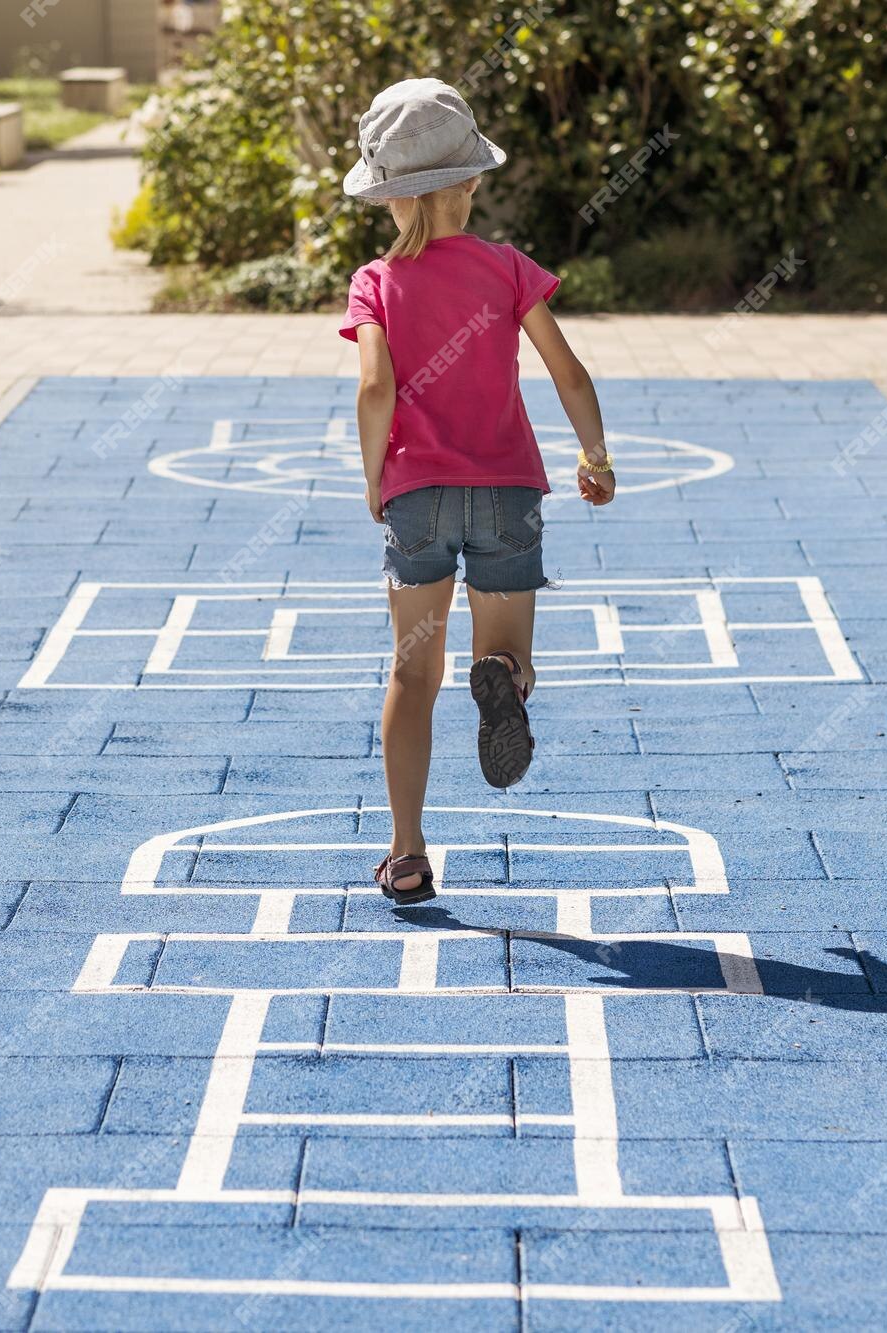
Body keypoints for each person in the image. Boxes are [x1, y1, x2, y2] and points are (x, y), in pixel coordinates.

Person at [338, 78, 617, 906]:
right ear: (471, 184)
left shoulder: (376, 282)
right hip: (507, 492)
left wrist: (374, 479)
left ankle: (408, 853)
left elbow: (374, 389)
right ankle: (499, 675)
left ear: (390, 200)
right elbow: (568, 371)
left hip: (419, 497)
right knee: (509, 653)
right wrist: (595, 455)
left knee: (410, 677)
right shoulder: (507, 268)